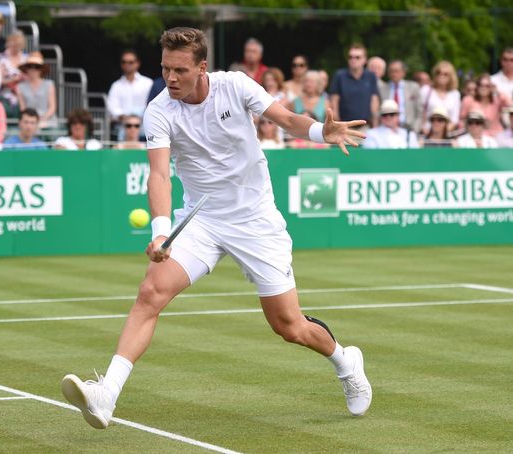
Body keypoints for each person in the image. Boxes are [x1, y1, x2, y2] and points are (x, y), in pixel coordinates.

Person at [61, 27, 371, 430]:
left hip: (255, 218)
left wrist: (320, 132)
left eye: (180, 70)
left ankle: (347, 363)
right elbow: (159, 176)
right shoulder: (158, 110)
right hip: (200, 220)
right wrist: (159, 231)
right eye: (165, 69)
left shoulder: (235, 86)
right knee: (150, 292)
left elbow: (286, 118)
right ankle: (106, 396)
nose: (171, 78)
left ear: (202, 67)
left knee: (288, 326)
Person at [329, 43, 379, 128]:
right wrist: (337, 125)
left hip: (366, 127)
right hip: (344, 127)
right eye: (350, 57)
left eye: (357, 57)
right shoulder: (340, 76)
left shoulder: (371, 76)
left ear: (365, 59)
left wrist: (375, 125)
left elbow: (374, 101)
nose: (353, 59)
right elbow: (334, 101)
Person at [107, 49, 153, 139]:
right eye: (124, 62)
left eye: (130, 62)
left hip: (145, 131)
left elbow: (152, 104)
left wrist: (140, 118)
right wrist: (125, 117)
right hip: (123, 131)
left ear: (137, 63)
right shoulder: (116, 86)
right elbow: (112, 107)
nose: (127, 65)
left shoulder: (148, 83)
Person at [379, 60, 422, 134]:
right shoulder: (382, 89)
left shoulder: (413, 87)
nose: (394, 74)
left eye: (396, 71)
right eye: (391, 71)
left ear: (404, 72)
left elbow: (419, 112)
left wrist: (415, 130)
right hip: (387, 130)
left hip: (409, 128)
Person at [16, 52, 57, 129]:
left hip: (47, 120)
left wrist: (42, 119)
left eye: (37, 67)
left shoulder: (49, 84)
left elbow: (52, 107)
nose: (33, 69)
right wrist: (31, 121)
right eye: (30, 66)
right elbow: (23, 108)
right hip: (28, 121)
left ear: (41, 70)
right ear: (26, 69)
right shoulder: (20, 86)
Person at [420, 61, 460, 134]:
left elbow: (454, 119)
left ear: (451, 77)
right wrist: (428, 132)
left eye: (445, 74)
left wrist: (442, 133)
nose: (441, 76)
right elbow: (420, 113)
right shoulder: (426, 90)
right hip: (426, 133)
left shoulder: (455, 94)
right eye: (439, 73)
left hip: (447, 135)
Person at [0, 30, 26, 115]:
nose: (16, 46)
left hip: (23, 93)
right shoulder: (0, 58)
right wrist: (14, 79)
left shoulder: (26, 58)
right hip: (5, 94)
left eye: (19, 44)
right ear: (9, 43)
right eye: (14, 43)